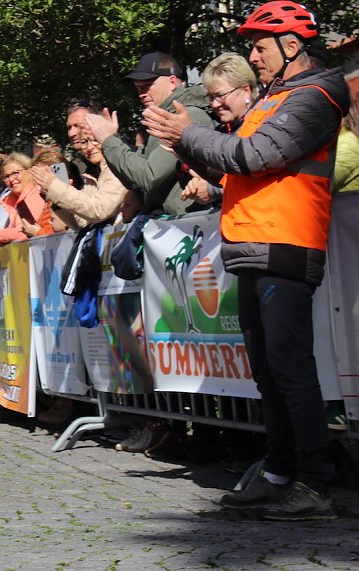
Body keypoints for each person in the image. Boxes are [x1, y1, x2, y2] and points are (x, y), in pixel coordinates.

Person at [142, 1, 350, 521]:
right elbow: (239, 163)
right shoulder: (276, 97)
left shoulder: (317, 94)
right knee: (267, 373)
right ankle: (279, 474)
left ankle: (315, 484)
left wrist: (185, 135)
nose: (252, 56)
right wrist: (191, 139)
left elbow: (255, 155)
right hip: (254, 245)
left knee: (288, 369)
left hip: (287, 243)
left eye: (260, 46)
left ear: (292, 46)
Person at [87, 51, 215, 215]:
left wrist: (109, 141)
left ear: (172, 82)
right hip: (175, 225)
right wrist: (112, 141)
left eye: (147, 85)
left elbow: (149, 177)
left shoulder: (185, 117)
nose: (141, 93)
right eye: (138, 87)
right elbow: (135, 181)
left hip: (190, 226)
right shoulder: (163, 118)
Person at [180, 52, 260, 205]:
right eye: (210, 97)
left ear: (246, 90)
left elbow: (260, 178)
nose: (215, 104)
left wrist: (212, 190)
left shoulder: (264, 126)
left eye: (220, 95)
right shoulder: (224, 130)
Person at [31, 104, 127, 230]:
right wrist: (57, 198)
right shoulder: (90, 173)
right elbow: (82, 224)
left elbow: (99, 210)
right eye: (84, 142)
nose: (71, 133)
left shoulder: (118, 164)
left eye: (94, 140)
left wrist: (55, 187)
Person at [0, 153, 50, 246]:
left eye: (15, 173)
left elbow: (25, 232)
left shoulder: (36, 194)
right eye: (6, 176)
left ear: (30, 171)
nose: (11, 179)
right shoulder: (11, 200)